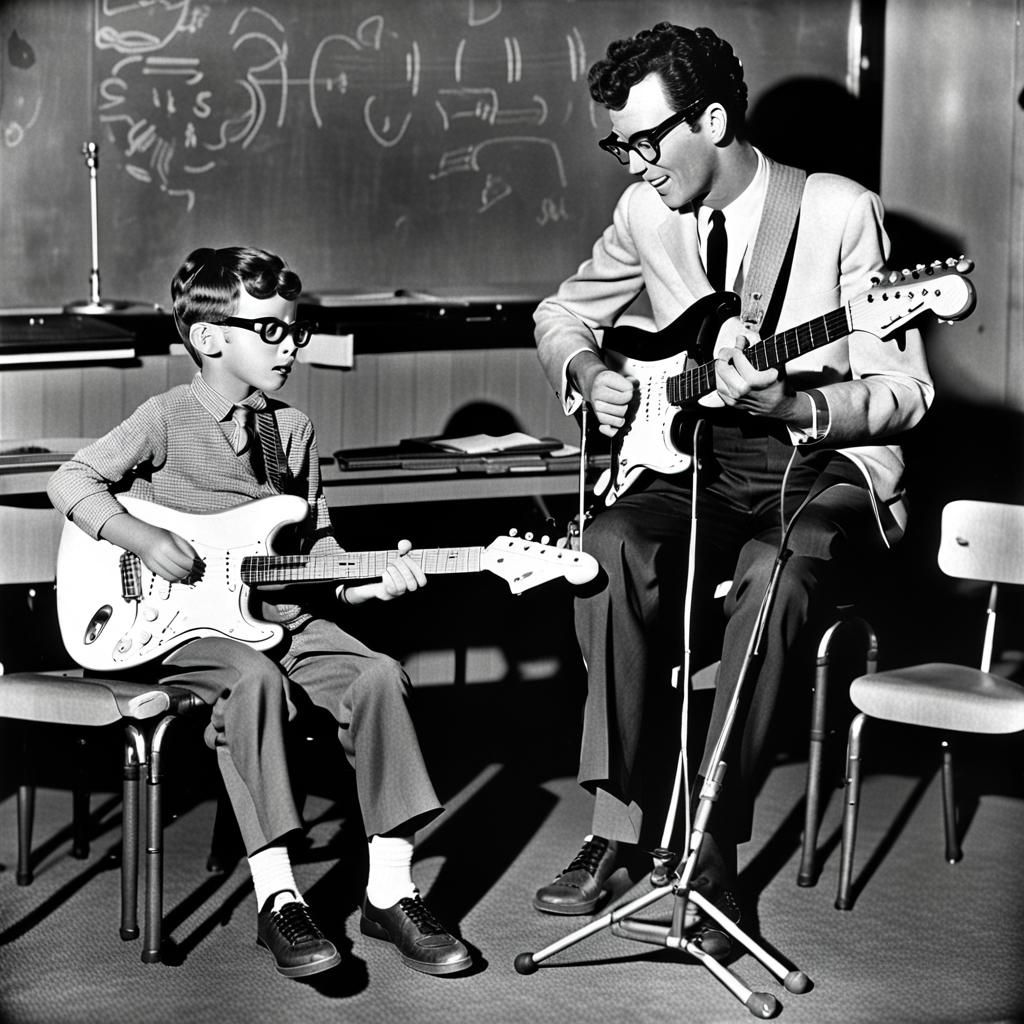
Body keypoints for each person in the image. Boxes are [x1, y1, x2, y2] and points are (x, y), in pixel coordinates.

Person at [531, 22, 933, 953]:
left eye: (645, 141)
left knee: (775, 575)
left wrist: (797, 399)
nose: (634, 167)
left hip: (819, 461)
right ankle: (619, 829)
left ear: (710, 118)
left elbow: (908, 391)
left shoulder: (836, 209)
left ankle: (711, 849)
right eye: (619, 145)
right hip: (699, 458)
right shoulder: (646, 216)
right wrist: (588, 370)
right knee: (607, 549)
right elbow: (561, 311)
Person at [47, 246, 472, 979]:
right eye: (271, 330)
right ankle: (279, 899)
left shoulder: (293, 433)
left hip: (285, 616)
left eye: (295, 329)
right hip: (186, 628)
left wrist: (372, 585)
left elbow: (322, 555)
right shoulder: (167, 417)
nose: (291, 344)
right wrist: (142, 537)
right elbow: (71, 479)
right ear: (211, 337)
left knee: (378, 676)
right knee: (254, 683)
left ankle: (389, 889)